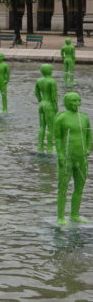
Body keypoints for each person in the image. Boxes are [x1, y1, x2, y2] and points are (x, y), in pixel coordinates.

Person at [54, 92, 91, 225]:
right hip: (67, 158)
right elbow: (57, 138)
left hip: (82, 159)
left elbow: (89, 134)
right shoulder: (61, 118)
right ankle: (60, 217)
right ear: (67, 103)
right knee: (63, 187)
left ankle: (75, 214)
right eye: (73, 101)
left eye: (78, 100)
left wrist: (88, 149)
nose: (76, 104)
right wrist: (61, 155)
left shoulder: (84, 117)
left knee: (79, 187)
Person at [35, 64, 58, 153]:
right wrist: (56, 106)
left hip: (42, 104)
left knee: (42, 126)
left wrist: (40, 101)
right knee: (50, 127)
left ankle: (40, 146)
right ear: (48, 71)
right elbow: (53, 96)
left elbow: (36, 92)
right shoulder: (52, 81)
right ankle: (49, 147)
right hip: (49, 104)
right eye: (51, 70)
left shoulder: (39, 80)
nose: (52, 71)